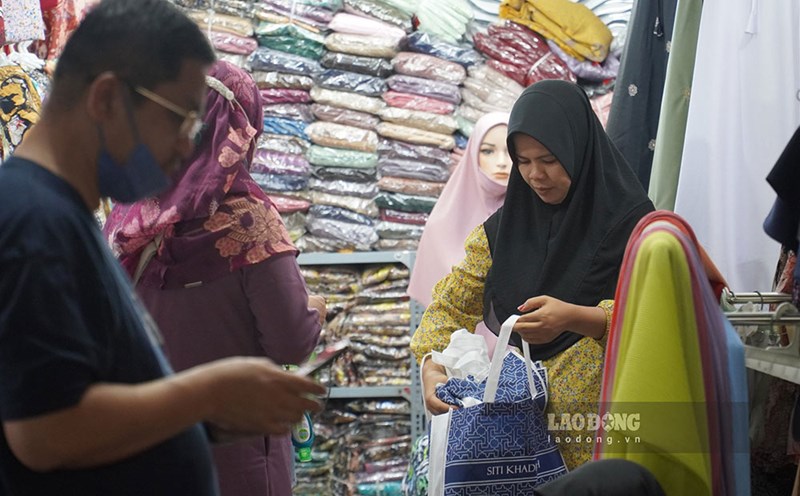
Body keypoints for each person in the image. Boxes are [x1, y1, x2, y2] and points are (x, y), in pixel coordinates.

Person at [0, 1, 325, 495]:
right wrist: (208, 393)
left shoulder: (71, 218)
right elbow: (43, 432)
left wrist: (205, 420)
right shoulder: (35, 222)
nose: (187, 149)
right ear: (107, 98)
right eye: (183, 122)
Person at [102, 60, 325, 496]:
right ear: (242, 126)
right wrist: (315, 309)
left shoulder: (128, 213)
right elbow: (290, 342)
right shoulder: (248, 219)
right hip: (234, 447)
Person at [410, 79, 654, 470]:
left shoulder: (635, 225)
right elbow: (448, 307)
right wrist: (432, 367)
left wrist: (577, 317)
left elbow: (658, 315)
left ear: (579, 150)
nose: (534, 175)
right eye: (523, 161)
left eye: (549, 160)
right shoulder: (502, 231)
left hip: (611, 428)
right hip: (522, 439)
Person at [407, 112, 510, 309]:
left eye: (510, 151)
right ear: (472, 154)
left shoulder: (538, 217)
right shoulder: (441, 225)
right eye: (488, 151)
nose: (502, 161)